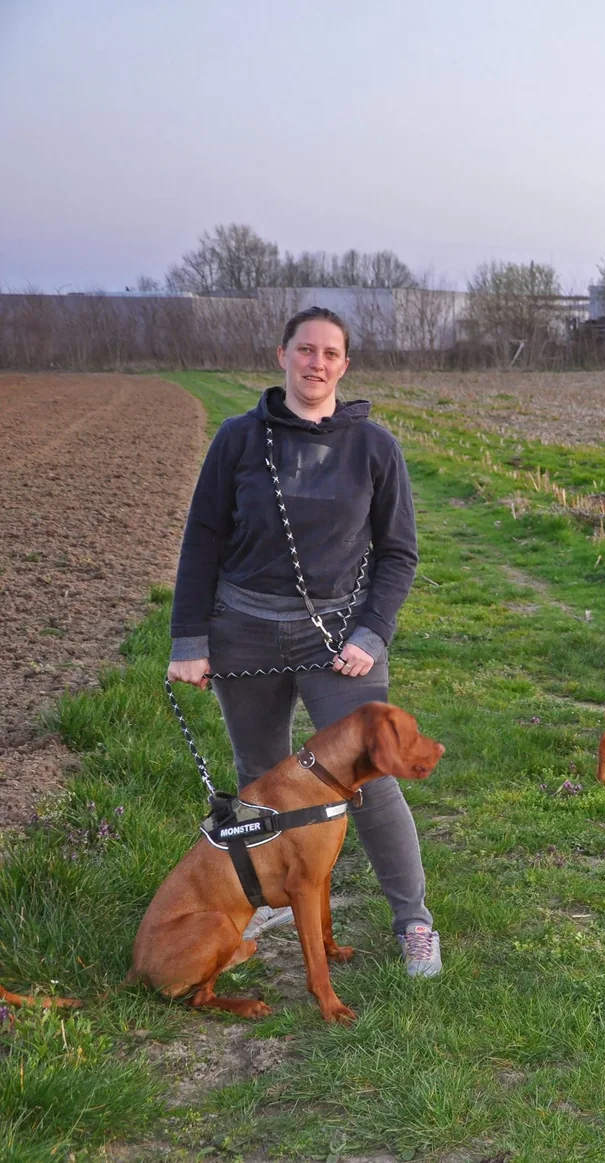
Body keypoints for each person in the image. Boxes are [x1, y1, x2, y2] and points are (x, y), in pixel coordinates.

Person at [166, 306, 442, 976]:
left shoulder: (374, 446)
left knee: (372, 782)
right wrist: (189, 638)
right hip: (245, 630)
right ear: (283, 355)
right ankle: (271, 898)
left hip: (339, 639)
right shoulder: (238, 440)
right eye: (305, 350)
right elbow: (202, 537)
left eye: (330, 353)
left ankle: (413, 922)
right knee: (259, 783)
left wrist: (373, 633)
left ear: (345, 365)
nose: (316, 363)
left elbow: (399, 553)